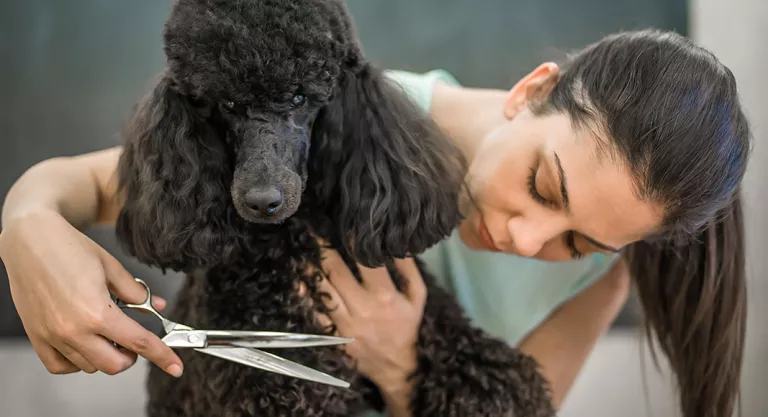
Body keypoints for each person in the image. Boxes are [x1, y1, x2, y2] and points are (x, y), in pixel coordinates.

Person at [0, 29, 751, 417]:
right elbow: (87, 182)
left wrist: (402, 365)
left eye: (578, 240)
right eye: (542, 185)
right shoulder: (355, 113)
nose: (527, 240)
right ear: (533, 90)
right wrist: (27, 221)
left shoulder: (604, 276)